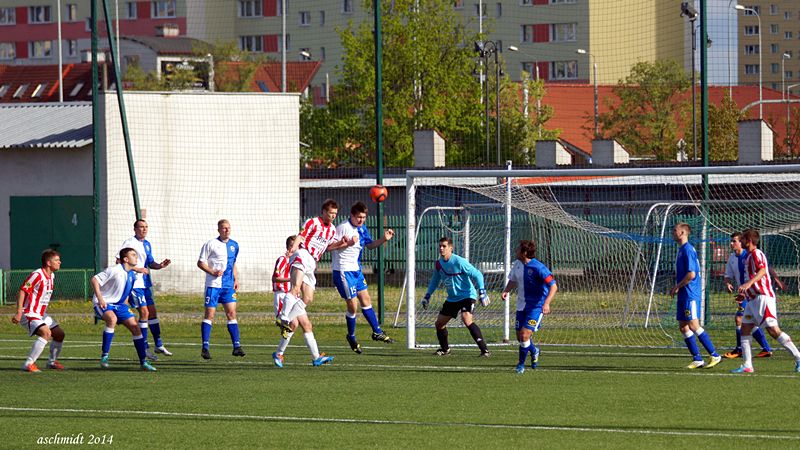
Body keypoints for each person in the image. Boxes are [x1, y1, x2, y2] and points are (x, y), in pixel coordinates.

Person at [276, 199, 354, 367]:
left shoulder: (332, 229)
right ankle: (283, 318)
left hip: (312, 262)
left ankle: (283, 343)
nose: (333, 216)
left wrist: (344, 243)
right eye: (330, 213)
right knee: (295, 289)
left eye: (335, 214)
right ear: (323, 212)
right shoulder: (313, 222)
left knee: (308, 300)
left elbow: (329, 247)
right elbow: (301, 235)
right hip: (302, 254)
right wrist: (292, 250)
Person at [732, 229, 800, 373]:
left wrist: (748, 284)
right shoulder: (749, 256)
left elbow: (763, 271)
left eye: (742, 239)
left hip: (763, 298)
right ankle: (748, 365)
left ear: (748, 240)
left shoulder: (757, 254)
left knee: (774, 331)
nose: (741, 241)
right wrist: (744, 294)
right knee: (745, 328)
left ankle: (798, 357)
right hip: (752, 300)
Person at [332, 201, 395, 354]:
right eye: (358, 217)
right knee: (353, 306)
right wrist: (346, 244)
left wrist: (384, 239)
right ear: (352, 215)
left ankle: (377, 332)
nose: (361, 220)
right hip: (343, 271)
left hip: (356, 271)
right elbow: (330, 247)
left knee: (366, 300)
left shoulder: (362, 228)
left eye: (364, 217)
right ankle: (351, 336)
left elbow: (370, 245)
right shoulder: (342, 228)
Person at [422, 237, 491, 357]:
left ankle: (484, 350)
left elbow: (477, 274)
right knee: (439, 324)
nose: (441, 248)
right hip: (453, 298)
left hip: (467, 295)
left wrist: (482, 292)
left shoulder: (459, 261)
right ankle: (445, 349)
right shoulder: (439, 264)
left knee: (466, 319)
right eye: (440, 246)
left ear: (451, 248)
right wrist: (427, 295)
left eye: (444, 246)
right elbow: (434, 280)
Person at [92, 247, 156, 371]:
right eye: (133, 255)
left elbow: (125, 292)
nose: (136, 257)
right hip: (105, 303)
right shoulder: (114, 270)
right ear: (126, 259)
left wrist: (125, 306)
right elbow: (95, 279)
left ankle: (143, 362)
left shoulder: (132, 275)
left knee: (135, 327)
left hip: (120, 305)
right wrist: (100, 298)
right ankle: (105, 356)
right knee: (112, 318)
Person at [669, 223, 722, 369]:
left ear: (682, 233)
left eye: (675, 230)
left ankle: (715, 354)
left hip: (690, 293)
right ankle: (697, 358)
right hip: (684, 293)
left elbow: (691, 274)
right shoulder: (681, 250)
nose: (673, 233)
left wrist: (677, 286)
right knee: (683, 326)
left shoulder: (688, 250)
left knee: (693, 324)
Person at [501, 240, 558, 374]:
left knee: (525, 335)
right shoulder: (517, 264)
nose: (515, 251)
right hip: (521, 305)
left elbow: (553, 286)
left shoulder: (538, 268)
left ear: (524, 252)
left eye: (518, 249)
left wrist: (547, 303)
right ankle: (534, 350)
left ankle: (520, 365)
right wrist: (506, 290)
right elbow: (513, 279)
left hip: (536, 307)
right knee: (520, 337)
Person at [722, 231, 779, 359]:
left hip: (754, 293)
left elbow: (764, 268)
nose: (732, 244)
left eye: (735, 241)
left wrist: (776, 279)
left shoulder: (750, 255)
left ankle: (739, 349)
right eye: (732, 241)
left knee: (740, 319)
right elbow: (727, 276)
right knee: (749, 323)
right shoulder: (732, 258)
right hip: (745, 293)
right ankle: (765, 348)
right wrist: (728, 283)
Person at [121, 219, 172, 360]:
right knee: (144, 312)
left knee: (153, 313)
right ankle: (144, 348)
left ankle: (158, 344)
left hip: (145, 284)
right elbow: (120, 261)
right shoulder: (129, 243)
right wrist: (137, 269)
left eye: (146, 227)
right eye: (141, 227)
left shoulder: (147, 244)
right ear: (135, 229)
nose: (144, 229)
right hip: (135, 284)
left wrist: (160, 265)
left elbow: (150, 263)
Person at [12, 249, 66, 372]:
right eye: (57, 260)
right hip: (29, 313)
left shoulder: (52, 275)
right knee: (46, 333)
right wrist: (19, 312)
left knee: (59, 334)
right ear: (48, 262)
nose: (60, 262)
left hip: (41, 314)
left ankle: (51, 362)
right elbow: (23, 290)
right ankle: (28, 363)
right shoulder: (37, 275)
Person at [197, 219, 244, 360]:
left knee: (231, 313)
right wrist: (212, 272)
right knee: (210, 315)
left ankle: (237, 346)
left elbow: (233, 263)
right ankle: (205, 347)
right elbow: (200, 262)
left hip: (228, 286)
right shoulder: (210, 244)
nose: (227, 230)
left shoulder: (234, 245)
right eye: (223, 228)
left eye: (228, 228)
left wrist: (236, 279)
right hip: (213, 285)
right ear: (218, 230)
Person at [271, 235, 296, 368]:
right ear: (289, 247)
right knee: (287, 325)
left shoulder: (295, 261)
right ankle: (279, 353)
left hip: (291, 296)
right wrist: (291, 279)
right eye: (294, 245)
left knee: (294, 325)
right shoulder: (282, 260)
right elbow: (275, 278)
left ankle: (279, 353)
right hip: (282, 295)